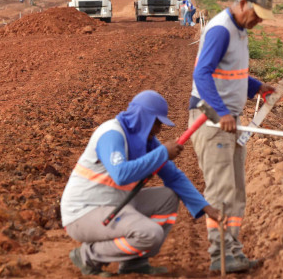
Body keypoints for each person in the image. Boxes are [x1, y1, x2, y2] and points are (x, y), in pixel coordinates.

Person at [61, 90, 224, 277]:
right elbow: (121, 174)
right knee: (150, 234)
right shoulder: (111, 134)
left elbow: (174, 177)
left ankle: (134, 263)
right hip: (83, 212)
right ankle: (88, 256)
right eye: (156, 123)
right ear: (142, 117)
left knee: (168, 197)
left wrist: (206, 208)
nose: (158, 130)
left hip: (114, 204)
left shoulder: (147, 141)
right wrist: (162, 153)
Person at [188, 0, 275, 273]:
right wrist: (221, 111)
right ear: (241, 4)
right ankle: (220, 255)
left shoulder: (241, 32)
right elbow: (202, 72)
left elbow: (233, 74)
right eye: (256, 14)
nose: (259, 20)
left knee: (237, 190)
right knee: (222, 190)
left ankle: (233, 250)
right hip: (211, 120)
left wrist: (257, 86)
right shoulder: (221, 29)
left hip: (230, 121)